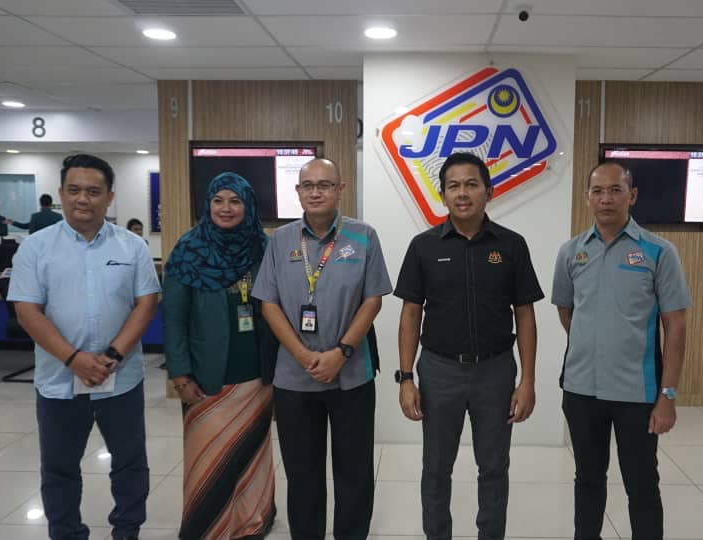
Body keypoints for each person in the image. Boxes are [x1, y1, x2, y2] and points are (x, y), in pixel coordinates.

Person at [8, 154, 160, 540]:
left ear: (109, 197)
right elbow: (27, 311)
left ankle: (127, 531)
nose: (83, 199)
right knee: (59, 468)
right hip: (59, 381)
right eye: (74, 190)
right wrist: (74, 359)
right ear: (61, 193)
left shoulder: (133, 247)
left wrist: (111, 356)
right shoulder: (35, 248)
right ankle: (67, 533)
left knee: (130, 464)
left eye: (93, 192)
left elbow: (146, 304)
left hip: (120, 379)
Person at [394, 152, 544, 540]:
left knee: (493, 467)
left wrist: (527, 381)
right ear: (443, 194)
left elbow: (525, 314)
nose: (463, 193)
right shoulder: (423, 246)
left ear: (489, 192)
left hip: (495, 372)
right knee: (436, 468)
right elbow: (410, 313)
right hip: (438, 371)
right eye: (454, 186)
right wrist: (406, 378)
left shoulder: (511, 245)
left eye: (472, 184)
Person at [251, 157, 392, 540]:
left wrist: (341, 352)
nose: (316, 192)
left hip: (352, 374)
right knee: (302, 473)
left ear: (340, 189)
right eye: (308, 185)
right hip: (294, 378)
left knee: (355, 471)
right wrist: (302, 355)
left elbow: (373, 299)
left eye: (325, 185)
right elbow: (268, 304)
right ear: (298, 191)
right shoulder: (281, 240)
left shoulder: (363, 236)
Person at [551, 161, 691, 540]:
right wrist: (594, 342)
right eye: (598, 191)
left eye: (615, 190)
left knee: (641, 484)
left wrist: (668, 395)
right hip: (581, 389)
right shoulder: (571, 252)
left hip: (638, 393)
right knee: (587, 480)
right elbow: (567, 311)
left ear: (632, 195)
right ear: (587, 198)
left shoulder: (659, 252)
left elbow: (676, 325)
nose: (606, 199)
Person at [163, 172, 279, 540]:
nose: (226, 208)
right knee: (209, 457)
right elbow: (173, 319)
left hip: (257, 374)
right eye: (218, 201)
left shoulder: (263, 248)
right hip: (206, 376)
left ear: (248, 207)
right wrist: (180, 375)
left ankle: (252, 522)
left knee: (252, 452)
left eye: (235, 201)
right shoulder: (188, 250)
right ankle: (209, 525)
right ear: (208, 204)